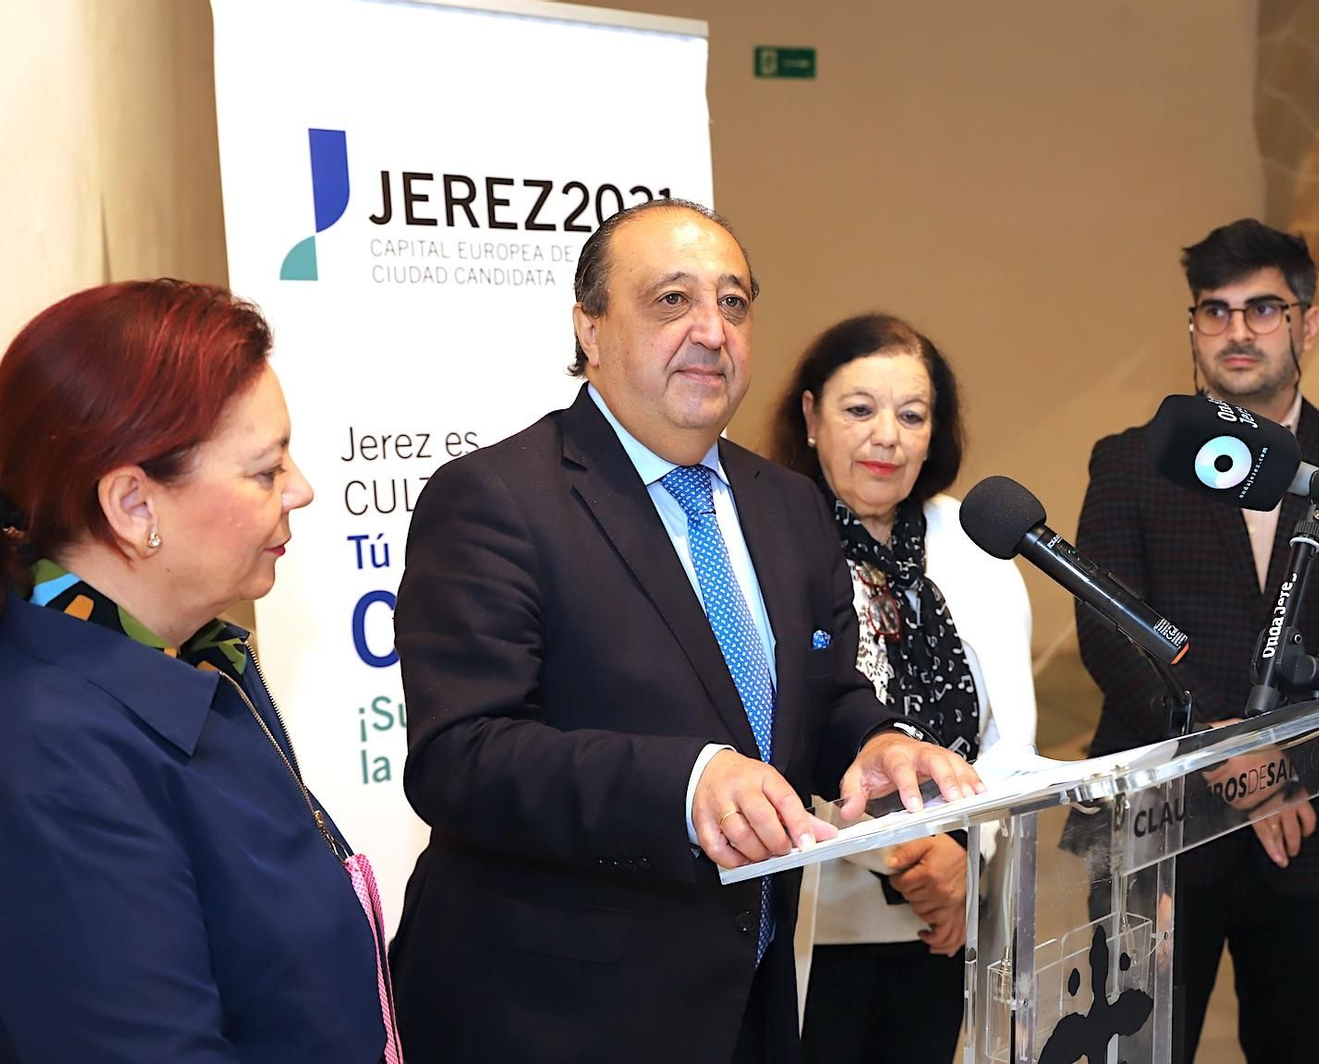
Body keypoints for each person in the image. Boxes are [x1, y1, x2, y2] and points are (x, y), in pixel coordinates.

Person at [388, 200, 981, 1064]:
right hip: (553, 1012)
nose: (712, 330)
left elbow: (824, 691)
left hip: (747, 999)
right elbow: (460, 755)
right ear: (589, 329)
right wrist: (685, 780)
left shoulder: (788, 505)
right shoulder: (496, 501)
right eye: (672, 300)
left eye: (733, 303)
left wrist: (873, 744)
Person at [0, 280, 397, 1063]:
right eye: (264, 471)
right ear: (134, 505)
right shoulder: (50, 766)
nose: (301, 489)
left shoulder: (183, 658)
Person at [1075, 219, 1319, 1063]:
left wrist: (1283, 762)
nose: (1237, 331)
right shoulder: (1130, 462)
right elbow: (1110, 628)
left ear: (1306, 322)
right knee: (1134, 1052)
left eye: (1263, 309)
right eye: (1215, 310)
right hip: (1158, 823)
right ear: (1193, 327)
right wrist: (1219, 749)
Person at [770, 313, 1038, 1063]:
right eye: (860, 409)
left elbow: (1011, 739)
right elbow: (798, 729)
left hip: (954, 919)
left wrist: (963, 861)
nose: (887, 435)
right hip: (823, 924)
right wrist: (914, 857)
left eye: (911, 415)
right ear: (811, 416)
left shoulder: (974, 544)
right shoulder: (775, 542)